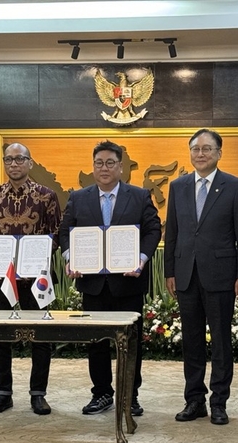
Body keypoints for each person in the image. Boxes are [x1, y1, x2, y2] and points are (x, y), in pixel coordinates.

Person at [59, 140, 161, 417]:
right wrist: (72, 259)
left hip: (128, 282)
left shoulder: (139, 196)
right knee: (97, 342)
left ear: (121, 167)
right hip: (93, 284)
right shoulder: (79, 198)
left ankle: (130, 394)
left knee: (131, 341)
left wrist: (140, 259)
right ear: (93, 167)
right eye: (99, 163)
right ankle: (102, 393)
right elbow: (65, 232)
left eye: (110, 163)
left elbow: (153, 230)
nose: (104, 168)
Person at [164, 128, 238, 426]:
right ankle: (194, 400)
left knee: (220, 341)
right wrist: (169, 271)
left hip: (221, 276)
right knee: (191, 341)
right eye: (195, 149)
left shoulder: (235, 186)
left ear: (219, 153)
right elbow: (172, 233)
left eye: (207, 149)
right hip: (186, 275)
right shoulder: (178, 186)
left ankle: (219, 402)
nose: (200, 154)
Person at [0, 142, 61, 416]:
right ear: (4, 163)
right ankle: (3, 393)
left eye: (19, 159)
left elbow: (56, 236)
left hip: (36, 279)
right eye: (9, 159)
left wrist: (37, 257)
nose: (14, 164)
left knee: (40, 337)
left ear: (30, 163)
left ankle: (38, 394)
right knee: (0, 336)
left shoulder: (46, 197)